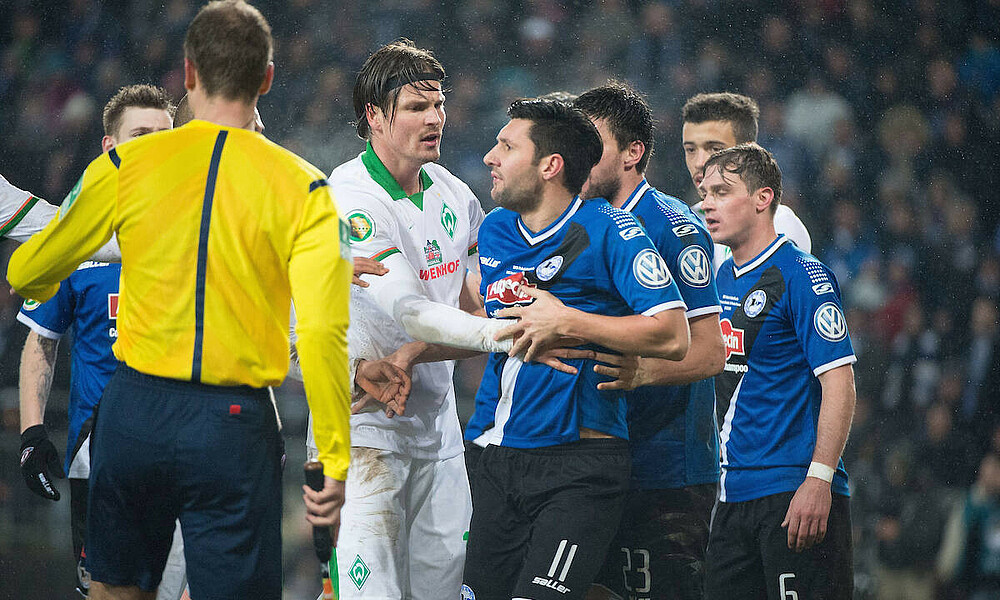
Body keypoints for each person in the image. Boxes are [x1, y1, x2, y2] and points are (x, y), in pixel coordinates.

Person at [7, 2, 352, 599]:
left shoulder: (125, 162)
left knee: (115, 591)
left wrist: (43, 280)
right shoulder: (306, 187)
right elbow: (323, 336)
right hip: (234, 424)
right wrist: (334, 462)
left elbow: (30, 266)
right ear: (267, 79)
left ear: (187, 75)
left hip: (134, 411)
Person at [462, 98, 691, 600]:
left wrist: (569, 319)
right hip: (492, 455)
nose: (489, 157)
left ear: (550, 165)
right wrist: (407, 354)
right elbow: (481, 320)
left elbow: (674, 334)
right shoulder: (496, 229)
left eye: (506, 145)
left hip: (579, 464)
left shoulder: (610, 229)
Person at [320, 39, 514, 600]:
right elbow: (412, 311)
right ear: (374, 117)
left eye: (438, 103)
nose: (435, 118)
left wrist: (493, 325)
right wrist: (508, 336)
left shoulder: (455, 194)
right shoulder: (349, 197)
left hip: (440, 433)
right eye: (415, 106)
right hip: (363, 433)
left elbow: (479, 308)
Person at [15, 85, 190, 600]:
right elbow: (41, 344)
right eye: (141, 136)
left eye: (165, 136)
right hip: (100, 455)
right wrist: (31, 434)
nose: (155, 147)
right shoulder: (76, 240)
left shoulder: (204, 228)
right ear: (109, 146)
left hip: (189, 446)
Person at [560, 82, 725, 600]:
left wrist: (645, 371)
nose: (580, 157)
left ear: (634, 153)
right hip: (592, 459)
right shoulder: (574, 224)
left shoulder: (674, 227)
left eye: (595, 143)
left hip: (667, 467)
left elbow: (712, 350)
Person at [699, 143, 856, 600]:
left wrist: (819, 479)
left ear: (763, 198)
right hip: (732, 495)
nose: (707, 202)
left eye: (722, 191)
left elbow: (840, 382)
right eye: (705, 192)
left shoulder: (802, 275)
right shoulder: (719, 280)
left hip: (793, 492)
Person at [681, 92, 812, 270]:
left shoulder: (777, 225)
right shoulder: (684, 221)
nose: (699, 162)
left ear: (749, 151)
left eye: (715, 149)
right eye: (691, 150)